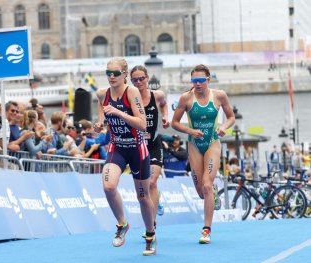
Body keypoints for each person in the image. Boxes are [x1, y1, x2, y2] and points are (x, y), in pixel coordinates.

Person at [94, 57, 156, 256]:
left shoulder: (132, 92)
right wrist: (99, 126)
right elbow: (102, 119)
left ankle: (150, 235)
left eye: (115, 74)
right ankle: (122, 223)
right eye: (108, 73)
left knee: (143, 196)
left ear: (124, 75)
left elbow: (142, 124)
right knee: (108, 186)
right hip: (117, 148)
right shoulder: (102, 94)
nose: (111, 77)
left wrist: (120, 114)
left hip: (137, 149)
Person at [171, 64, 235, 244]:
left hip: (212, 142)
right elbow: (175, 123)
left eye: (201, 81)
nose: (197, 84)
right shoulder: (186, 98)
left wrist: (223, 127)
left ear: (208, 80)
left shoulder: (219, 95)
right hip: (194, 145)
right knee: (201, 192)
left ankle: (206, 229)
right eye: (194, 81)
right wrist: (190, 131)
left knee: (207, 185)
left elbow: (231, 117)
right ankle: (211, 193)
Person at [130, 65, 170, 222]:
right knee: (145, 186)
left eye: (141, 78)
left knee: (152, 182)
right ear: (131, 81)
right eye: (135, 80)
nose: (139, 82)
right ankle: (155, 202)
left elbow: (164, 104)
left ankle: (152, 224)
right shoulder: (129, 99)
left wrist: (165, 117)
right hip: (138, 146)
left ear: (147, 78)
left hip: (153, 144)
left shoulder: (157, 95)